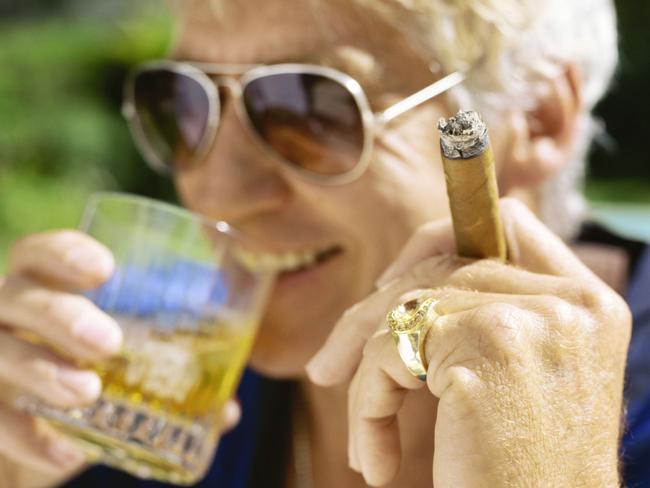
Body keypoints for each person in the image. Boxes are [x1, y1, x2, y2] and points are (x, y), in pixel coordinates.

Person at [1, 0, 648, 486]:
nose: (217, 189)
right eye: (183, 102)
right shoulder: (139, 393)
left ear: (538, 117)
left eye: (307, 106)